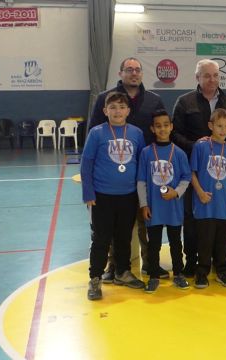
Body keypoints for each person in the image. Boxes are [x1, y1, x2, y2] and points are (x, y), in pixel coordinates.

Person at [88, 57, 169, 281]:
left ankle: (150, 262)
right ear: (121, 73)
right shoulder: (105, 98)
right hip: (111, 175)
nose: (134, 73)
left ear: (142, 73)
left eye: (137, 70)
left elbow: (161, 132)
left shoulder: (155, 100)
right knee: (113, 227)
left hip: (144, 172)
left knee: (146, 219)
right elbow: (94, 130)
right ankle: (114, 266)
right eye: (129, 70)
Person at [172, 59, 226, 277]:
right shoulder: (184, 102)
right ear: (197, 78)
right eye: (207, 75)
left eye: (215, 75)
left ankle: (219, 262)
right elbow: (175, 134)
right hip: (193, 171)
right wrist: (198, 147)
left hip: (219, 171)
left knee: (219, 220)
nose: (212, 79)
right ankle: (193, 262)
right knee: (192, 219)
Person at [82, 92, 146, 301]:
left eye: (121, 107)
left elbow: (141, 165)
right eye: (113, 107)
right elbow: (86, 163)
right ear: (105, 111)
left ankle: (122, 272)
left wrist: (140, 196)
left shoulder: (136, 133)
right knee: (100, 239)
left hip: (128, 196)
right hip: (101, 196)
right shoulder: (97, 133)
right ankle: (95, 278)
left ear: (128, 111)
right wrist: (88, 193)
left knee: (123, 237)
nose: (117, 111)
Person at [137, 110, 192, 293]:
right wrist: (144, 204)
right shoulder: (146, 153)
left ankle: (178, 274)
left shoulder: (179, 153)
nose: (162, 129)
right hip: (154, 208)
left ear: (171, 127)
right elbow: (141, 181)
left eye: (165, 125)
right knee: (154, 244)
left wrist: (176, 192)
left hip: (173, 207)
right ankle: (153, 276)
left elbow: (186, 178)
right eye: (158, 126)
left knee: (176, 243)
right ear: (153, 129)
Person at [190, 109, 226, 289]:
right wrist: (200, 193)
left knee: (222, 240)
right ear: (211, 126)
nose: (223, 130)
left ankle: (222, 270)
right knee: (204, 239)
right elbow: (192, 173)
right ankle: (202, 272)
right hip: (205, 203)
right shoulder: (201, 146)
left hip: (224, 202)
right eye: (219, 126)